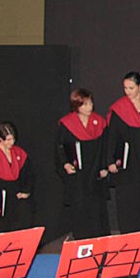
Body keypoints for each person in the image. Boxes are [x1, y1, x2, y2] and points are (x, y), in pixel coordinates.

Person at [105, 71, 140, 234]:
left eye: (131, 88)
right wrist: (110, 160)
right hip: (127, 161)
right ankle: (129, 237)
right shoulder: (119, 109)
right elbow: (112, 136)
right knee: (128, 200)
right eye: (125, 88)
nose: (127, 91)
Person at [55, 89, 109, 239]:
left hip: (95, 172)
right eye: (84, 104)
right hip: (78, 175)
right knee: (80, 208)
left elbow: (105, 147)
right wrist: (65, 164)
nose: (89, 107)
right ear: (76, 106)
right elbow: (59, 148)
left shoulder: (100, 122)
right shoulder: (66, 124)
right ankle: (82, 240)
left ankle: (100, 242)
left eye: (90, 103)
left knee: (97, 209)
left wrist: (104, 166)